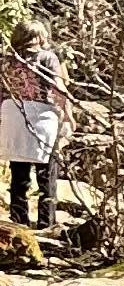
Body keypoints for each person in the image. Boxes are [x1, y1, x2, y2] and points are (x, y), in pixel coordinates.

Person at [1, 21, 71, 236]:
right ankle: (46, 223)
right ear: (41, 37)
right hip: (42, 115)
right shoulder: (48, 58)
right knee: (47, 173)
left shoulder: (5, 61)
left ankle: (18, 222)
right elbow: (58, 88)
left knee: (19, 173)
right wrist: (68, 115)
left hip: (12, 113)